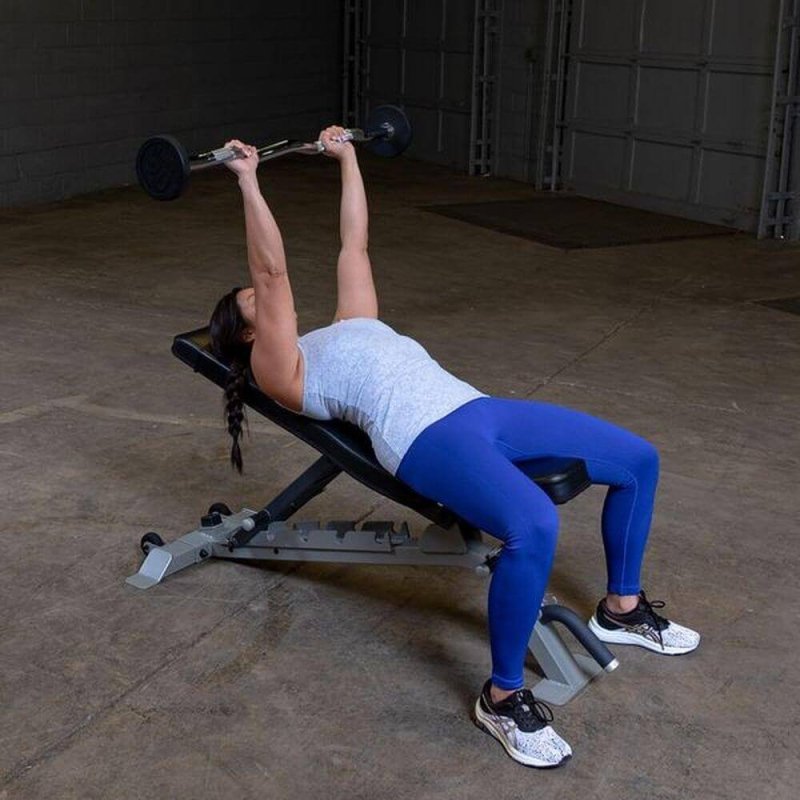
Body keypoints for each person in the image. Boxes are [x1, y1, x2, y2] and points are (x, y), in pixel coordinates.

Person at [208, 127, 700, 769]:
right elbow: (271, 273)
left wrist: (348, 157)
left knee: (638, 459)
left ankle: (622, 609)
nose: (278, 309)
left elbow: (354, 240)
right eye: (260, 310)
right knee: (533, 525)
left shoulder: (350, 324)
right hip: (421, 438)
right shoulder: (282, 368)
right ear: (250, 334)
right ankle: (501, 697)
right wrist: (248, 179)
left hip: (477, 409)